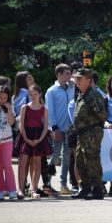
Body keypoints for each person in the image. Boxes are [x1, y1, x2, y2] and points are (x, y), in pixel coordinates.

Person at [71, 68, 107, 200]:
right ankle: (85, 188)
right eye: (76, 78)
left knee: (92, 160)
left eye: (80, 79)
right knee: (80, 159)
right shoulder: (81, 94)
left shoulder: (94, 95)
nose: (77, 81)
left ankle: (97, 189)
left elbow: (102, 114)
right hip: (82, 133)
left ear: (88, 80)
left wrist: (91, 124)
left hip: (92, 132)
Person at [16, 85, 51, 199]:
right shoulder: (24, 107)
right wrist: (26, 138)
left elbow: (45, 127)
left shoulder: (44, 109)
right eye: (31, 94)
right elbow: (21, 124)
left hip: (38, 136)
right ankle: (20, 189)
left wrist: (39, 139)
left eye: (35, 94)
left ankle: (34, 189)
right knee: (23, 163)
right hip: (26, 135)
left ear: (40, 94)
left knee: (37, 162)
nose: (33, 96)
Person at [45, 63, 75, 195]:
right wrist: (54, 128)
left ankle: (63, 184)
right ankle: (47, 183)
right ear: (59, 74)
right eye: (67, 73)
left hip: (69, 129)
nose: (70, 76)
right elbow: (49, 111)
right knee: (55, 156)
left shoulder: (71, 87)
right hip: (58, 129)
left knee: (67, 157)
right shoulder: (51, 91)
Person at [0, 85, 17, 200]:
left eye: (5, 97)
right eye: (0, 97)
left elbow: (11, 123)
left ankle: (12, 190)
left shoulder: (9, 107)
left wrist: (10, 110)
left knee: (7, 165)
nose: (2, 99)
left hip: (7, 140)